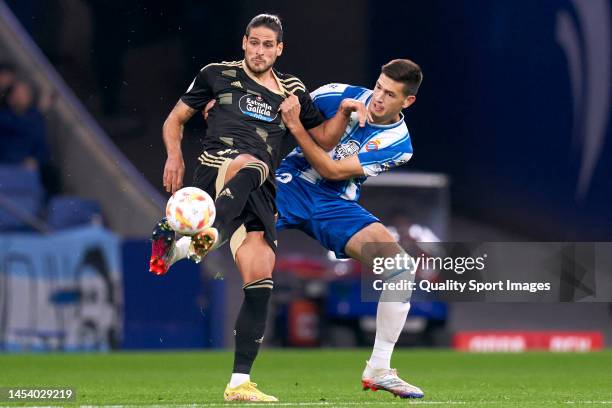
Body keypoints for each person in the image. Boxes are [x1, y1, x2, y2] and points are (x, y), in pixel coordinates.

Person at [149, 14, 367, 402]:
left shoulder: (293, 90)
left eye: (268, 44)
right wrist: (173, 157)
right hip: (218, 171)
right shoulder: (215, 74)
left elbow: (324, 139)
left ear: (279, 49)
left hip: (259, 191)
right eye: (254, 42)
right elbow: (175, 119)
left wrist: (345, 112)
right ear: (244, 43)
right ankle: (205, 236)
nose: (260, 50)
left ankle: (238, 383)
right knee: (253, 161)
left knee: (260, 278)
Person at [277, 59, 425, 399]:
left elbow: (331, 171)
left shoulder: (399, 145)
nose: (378, 98)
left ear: (408, 102)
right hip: (291, 183)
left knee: (401, 268)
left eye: (390, 94)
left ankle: (379, 368)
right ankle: (178, 244)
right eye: (378, 87)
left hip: (335, 204)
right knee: (237, 227)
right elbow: (284, 109)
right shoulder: (337, 94)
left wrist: (298, 130)